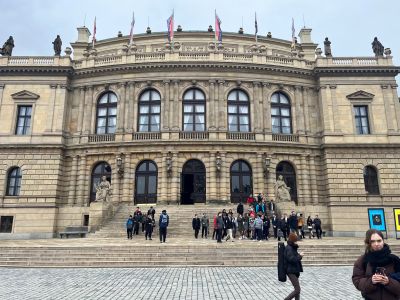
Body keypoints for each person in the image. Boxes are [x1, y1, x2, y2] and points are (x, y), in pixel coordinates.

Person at [352, 229, 400, 300]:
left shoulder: (394, 259)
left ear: (383, 241)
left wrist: (389, 282)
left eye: (379, 240)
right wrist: (371, 281)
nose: (376, 244)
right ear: (368, 243)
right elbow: (357, 281)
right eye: (373, 241)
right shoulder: (363, 260)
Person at [284, 233, 304, 300]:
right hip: (290, 271)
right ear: (293, 240)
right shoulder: (289, 248)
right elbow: (292, 259)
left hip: (294, 270)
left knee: (297, 290)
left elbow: (294, 257)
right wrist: (300, 256)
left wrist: (298, 255)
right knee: (297, 290)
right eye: (296, 240)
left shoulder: (292, 247)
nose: (297, 241)